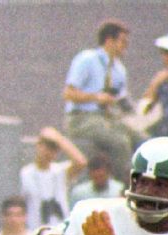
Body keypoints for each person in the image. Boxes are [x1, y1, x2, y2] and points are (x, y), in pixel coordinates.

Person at [63, 20, 137, 178]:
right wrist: (97, 97)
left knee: (140, 138)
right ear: (110, 41)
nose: (126, 46)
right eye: (122, 41)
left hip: (108, 119)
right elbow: (68, 94)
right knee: (120, 143)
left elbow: (121, 99)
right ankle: (124, 185)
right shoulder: (87, 60)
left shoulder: (119, 70)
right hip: (82, 118)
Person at [19, 127, 86, 230]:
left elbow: (81, 162)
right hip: (36, 231)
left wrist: (59, 139)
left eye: (54, 149)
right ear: (38, 145)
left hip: (60, 230)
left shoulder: (60, 171)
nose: (48, 153)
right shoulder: (25, 173)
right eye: (46, 147)